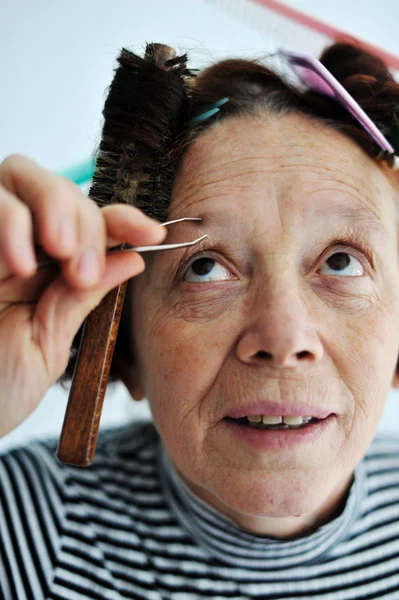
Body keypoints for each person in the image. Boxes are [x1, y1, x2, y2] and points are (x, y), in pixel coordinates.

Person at [1, 40, 399, 600]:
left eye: (341, 261)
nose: (283, 340)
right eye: (205, 267)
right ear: (126, 350)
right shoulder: (27, 531)